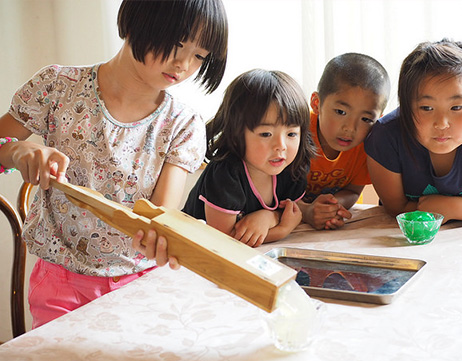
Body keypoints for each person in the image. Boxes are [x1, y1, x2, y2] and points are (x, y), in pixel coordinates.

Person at [0, 0, 228, 328]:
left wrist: (168, 238)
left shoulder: (183, 125)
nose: (183, 64)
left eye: (199, 56)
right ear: (137, 18)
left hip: (143, 288)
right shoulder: (57, 88)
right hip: (60, 285)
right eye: (177, 43)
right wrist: (17, 151)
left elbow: (161, 216)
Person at [364, 39, 462, 224]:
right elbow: (396, 207)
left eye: (456, 107)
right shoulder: (386, 136)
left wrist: (455, 208)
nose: (442, 123)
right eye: (426, 108)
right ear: (405, 106)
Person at [182, 69, 316, 247]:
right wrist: (283, 229)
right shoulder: (225, 173)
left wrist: (270, 216)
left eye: (291, 133)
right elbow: (226, 240)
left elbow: (293, 211)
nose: (281, 145)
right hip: (192, 254)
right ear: (237, 134)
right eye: (266, 133)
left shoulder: (292, 167)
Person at [300, 53, 390, 230]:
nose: (350, 128)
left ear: (378, 118)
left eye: (366, 119)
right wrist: (306, 211)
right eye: (341, 112)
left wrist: (333, 206)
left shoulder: (369, 144)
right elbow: (273, 192)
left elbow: (353, 191)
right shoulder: (295, 133)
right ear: (316, 103)